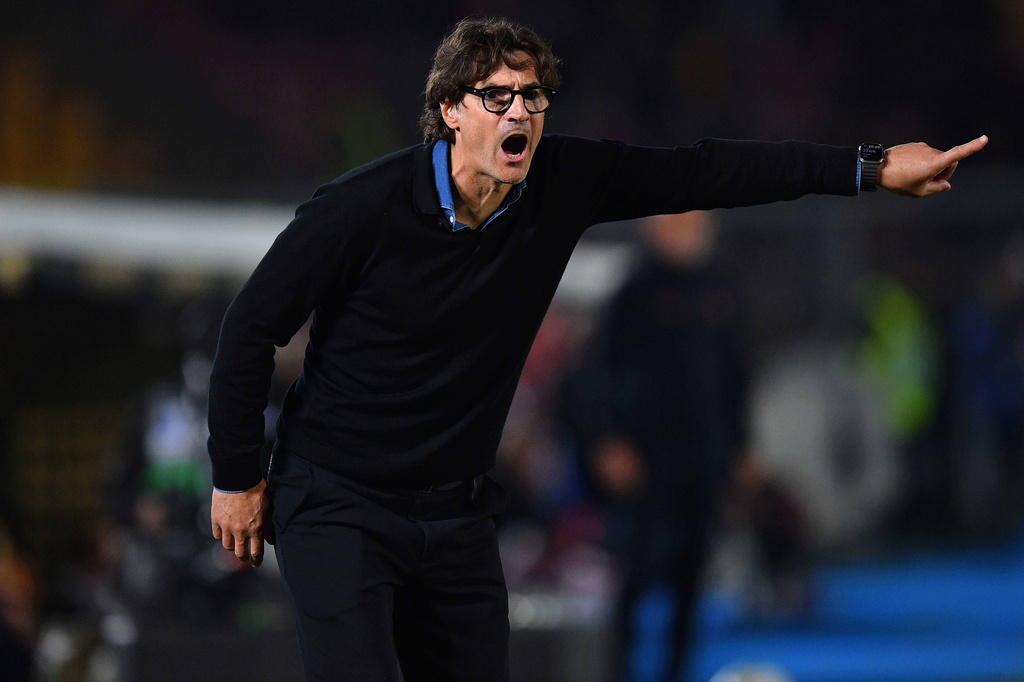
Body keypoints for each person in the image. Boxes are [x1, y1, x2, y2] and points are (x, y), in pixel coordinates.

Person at [206, 16, 987, 682]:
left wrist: (871, 167)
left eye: (533, 96)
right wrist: (237, 476)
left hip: (454, 515)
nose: (522, 111)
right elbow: (249, 329)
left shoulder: (562, 182)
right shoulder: (361, 208)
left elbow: (709, 170)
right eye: (498, 96)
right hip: (339, 499)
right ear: (449, 110)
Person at [563, 210, 749, 682]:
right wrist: (606, 441)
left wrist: (744, 447)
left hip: (704, 457)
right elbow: (594, 374)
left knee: (692, 573)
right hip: (650, 459)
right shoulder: (637, 290)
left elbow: (737, 376)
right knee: (641, 568)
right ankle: (619, 670)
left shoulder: (721, 287)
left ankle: (676, 671)